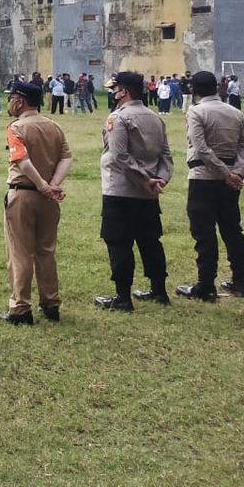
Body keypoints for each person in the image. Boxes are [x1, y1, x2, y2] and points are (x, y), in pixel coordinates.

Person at [94, 72, 174, 311]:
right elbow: (166, 156)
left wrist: (145, 180)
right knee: (150, 241)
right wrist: (159, 179)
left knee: (118, 242)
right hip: (148, 193)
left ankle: (122, 297)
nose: (112, 94)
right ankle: (159, 290)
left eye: (114, 89)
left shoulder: (118, 118)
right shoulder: (155, 118)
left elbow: (119, 155)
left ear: (124, 91)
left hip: (121, 189)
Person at [175, 71, 244, 301]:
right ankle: (240, 281)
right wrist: (236, 172)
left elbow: (201, 148)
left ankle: (206, 285)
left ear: (194, 90)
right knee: (232, 230)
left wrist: (225, 173)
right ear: (218, 87)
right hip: (230, 179)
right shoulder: (235, 112)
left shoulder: (196, 111)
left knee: (204, 232)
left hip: (203, 177)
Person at [0, 81, 73, 325]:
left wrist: (41, 184)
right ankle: (51, 303)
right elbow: (66, 157)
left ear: (20, 100)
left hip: (24, 193)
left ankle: (20, 308)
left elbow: (22, 160)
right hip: (49, 199)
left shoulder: (16, 128)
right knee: (46, 251)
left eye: (12, 98)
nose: (9, 102)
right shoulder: (54, 126)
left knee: (20, 253)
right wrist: (53, 185)